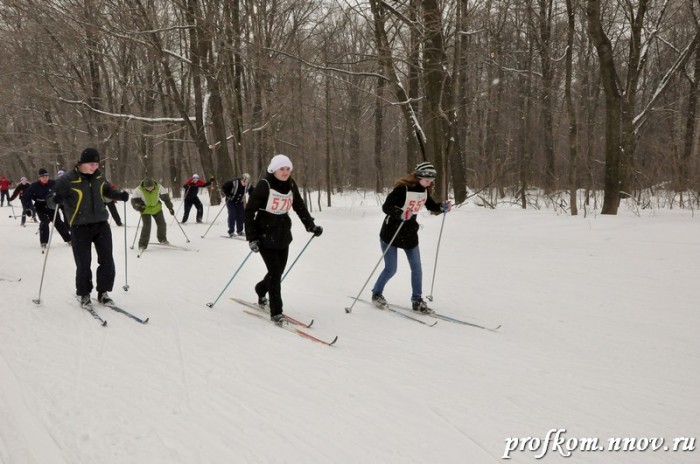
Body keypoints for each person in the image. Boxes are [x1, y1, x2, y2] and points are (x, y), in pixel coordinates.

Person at [245, 154, 323, 325]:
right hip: (264, 235)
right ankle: (276, 311)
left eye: (288, 169)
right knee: (274, 273)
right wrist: (252, 238)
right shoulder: (264, 185)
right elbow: (249, 211)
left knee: (278, 272)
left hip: (283, 235)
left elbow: (299, 206)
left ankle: (260, 288)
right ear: (274, 169)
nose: (286, 172)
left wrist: (310, 226)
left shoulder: (290, 184)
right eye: (282, 169)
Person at [50, 148, 130, 307]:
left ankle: (104, 293)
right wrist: (55, 199)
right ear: (82, 163)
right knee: (83, 262)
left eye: (97, 163)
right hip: (80, 227)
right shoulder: (67, 179)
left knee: (107, 260)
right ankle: (85, 294)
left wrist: (119, 196)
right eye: (92, 164)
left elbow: (107, 191)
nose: (95, 167)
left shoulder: (99, 176)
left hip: (101, 224)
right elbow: (51, 201)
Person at [370, 161, 452, 313]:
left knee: (417, 268)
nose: (429, 183)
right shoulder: (402, 189)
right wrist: (400, 213)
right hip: (391, 232)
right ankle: (376, 294)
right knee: (391, 268)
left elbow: (431, 206)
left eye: (431, 181)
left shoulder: (424, 191)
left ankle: (417, 300)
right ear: (419, 177)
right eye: (427, 180)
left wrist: (442, 207)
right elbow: (386, 207)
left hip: (409, 233)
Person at [22, 168, 72, 249]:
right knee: (44, 222)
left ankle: (69, 239)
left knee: (58, 222)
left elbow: (62, 191)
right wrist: (27, 208)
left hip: (52, 206)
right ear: (39, 177)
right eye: (43, 176)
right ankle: (44, 242)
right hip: (40, 206)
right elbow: (26, 197)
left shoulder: (53, 183)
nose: (45, 178)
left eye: (46, 176)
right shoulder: (34, 186)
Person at [131, 177, 175, 252]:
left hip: (157, 208)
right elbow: (134, 202)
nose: (150, 189)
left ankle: (162, 239)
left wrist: (170, 208)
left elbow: (166, 198)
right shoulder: (138, 190)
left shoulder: (159, 187)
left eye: (151, 187)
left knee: (162, 224)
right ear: (144, 186)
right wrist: (138, 207)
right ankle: (142, 244)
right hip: (146, 210)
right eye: (148, 188)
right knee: (147, 226)